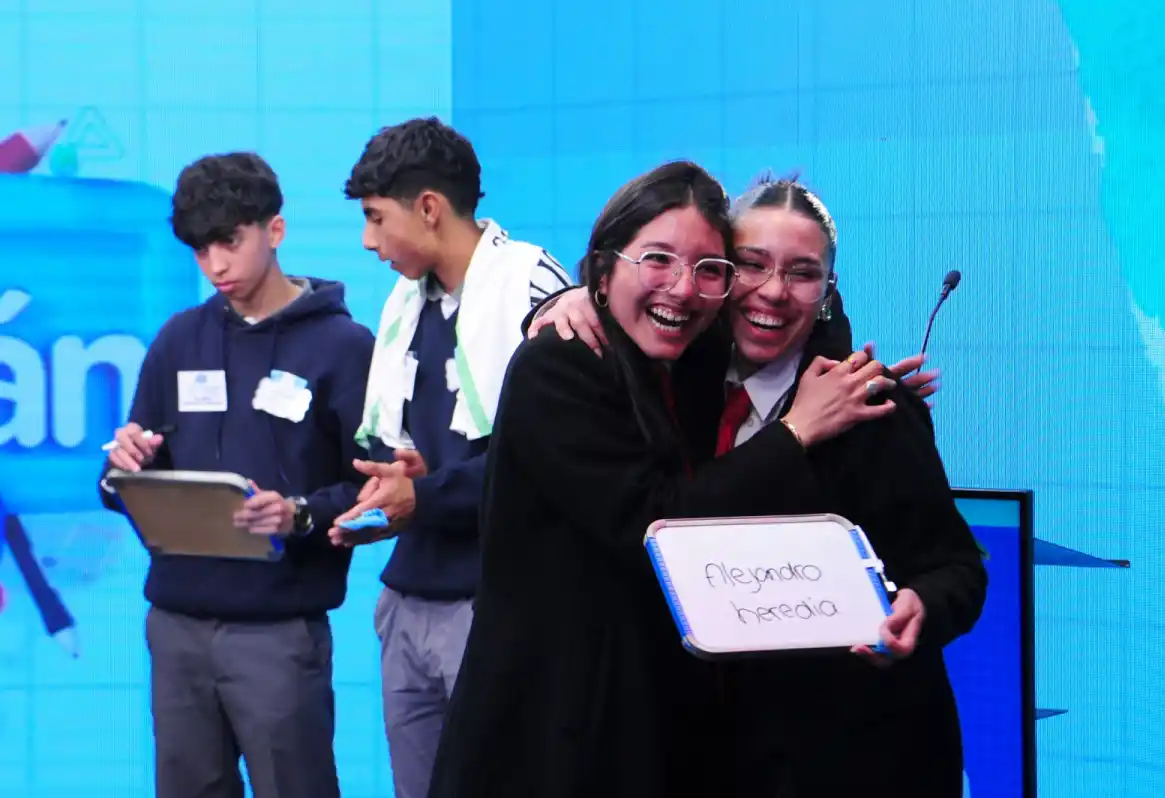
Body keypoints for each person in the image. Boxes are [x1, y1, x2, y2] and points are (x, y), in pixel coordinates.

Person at [423, 161, 897, 798]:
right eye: (657, 260)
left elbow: (786, 314)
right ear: (605, 265)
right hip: (552, 727)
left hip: (649, 722)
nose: (682, 287)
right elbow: (654, 524)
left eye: (709, 269)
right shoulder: (560, 365)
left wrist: (861, 380)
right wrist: (795, 431)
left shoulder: (685, 359)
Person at [528, 174, 988, 796]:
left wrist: (921, 607)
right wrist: (567, 301)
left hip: (855, 758)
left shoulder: (871, 407)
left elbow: (957, 568)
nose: (773, 291)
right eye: (751, 264)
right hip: (705, 756)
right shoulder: (667, 386)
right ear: (718, 275)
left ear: (827, 291)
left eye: (802, 272)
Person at [98, 152, 374, 798]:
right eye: (201, 250)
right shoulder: (178, 339)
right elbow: (125, 482)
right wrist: (123, 467)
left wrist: (298, 513)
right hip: (177, 625)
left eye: (229, 242)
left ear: (275, 230)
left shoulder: (344, 348)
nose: (215, 265)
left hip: (279, 629)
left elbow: (378, 491)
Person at [331, 117, 571, 798]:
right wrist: (396, 482)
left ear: (430, 207)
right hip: (408, 601)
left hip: (500, 604)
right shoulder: (404, 304)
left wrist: (426, 496)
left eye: (377, 219)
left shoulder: (537, 290)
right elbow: (401, 451)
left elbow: (553, 459)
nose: (368, 241)